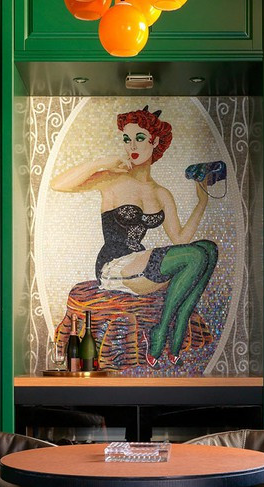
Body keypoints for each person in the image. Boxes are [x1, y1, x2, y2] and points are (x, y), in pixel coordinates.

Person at [50, 105, 218, 366]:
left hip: (141, 265)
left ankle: (176, 332)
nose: (132, 146)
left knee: (208, 249)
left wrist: (202, 201)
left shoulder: (161, 193)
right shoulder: (112, 179)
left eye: (139, 138)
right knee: (196, 256)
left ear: (155, 142)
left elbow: (180, 239)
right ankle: (161, 333)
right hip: (114, 266)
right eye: (127, 139)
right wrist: (101, 163)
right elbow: (58, 184)